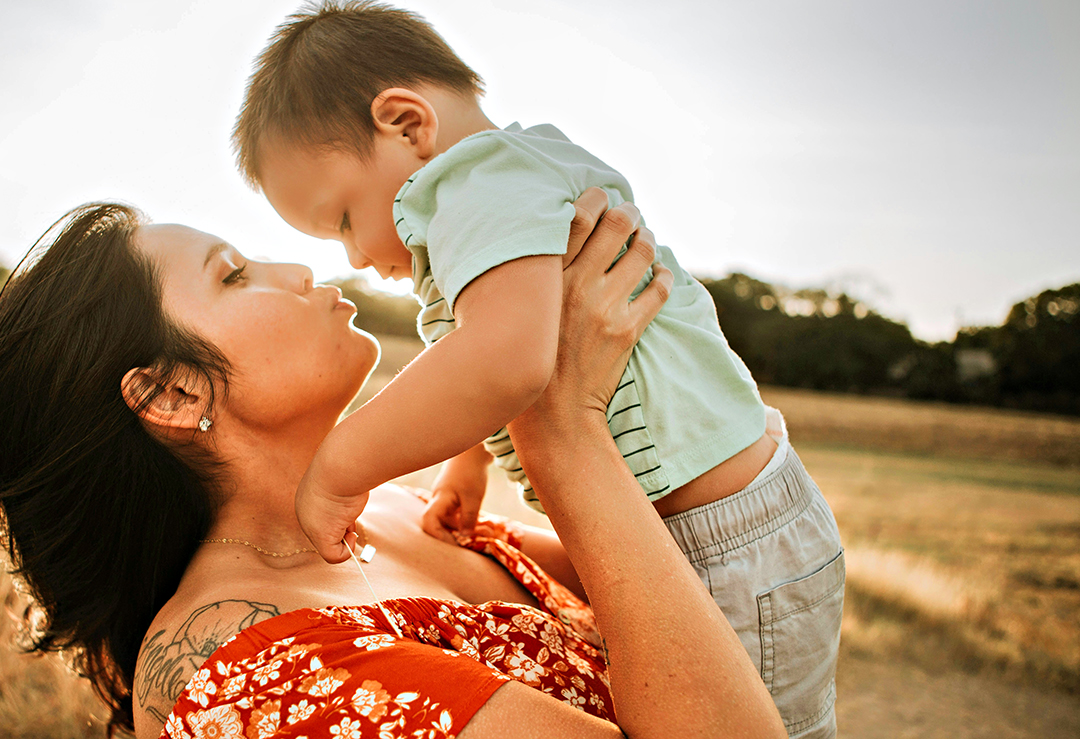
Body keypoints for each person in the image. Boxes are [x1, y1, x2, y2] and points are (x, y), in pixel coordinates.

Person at [0, 192, 789, 738]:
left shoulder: (399, 510)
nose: (297, 269)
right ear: (172, 393)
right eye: (236, 275)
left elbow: (709, 600)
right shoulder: (243, 670)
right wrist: (561, 426)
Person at [232, 4, 843, 736]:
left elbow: (505, 359)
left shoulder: (476, 186)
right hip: (717, 522)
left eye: (341, 219)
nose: (355, 257)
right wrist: (468, 465)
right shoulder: (502, 189)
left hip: (722, 539)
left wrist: (341, 466)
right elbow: (489, 345)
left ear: (406, 124)